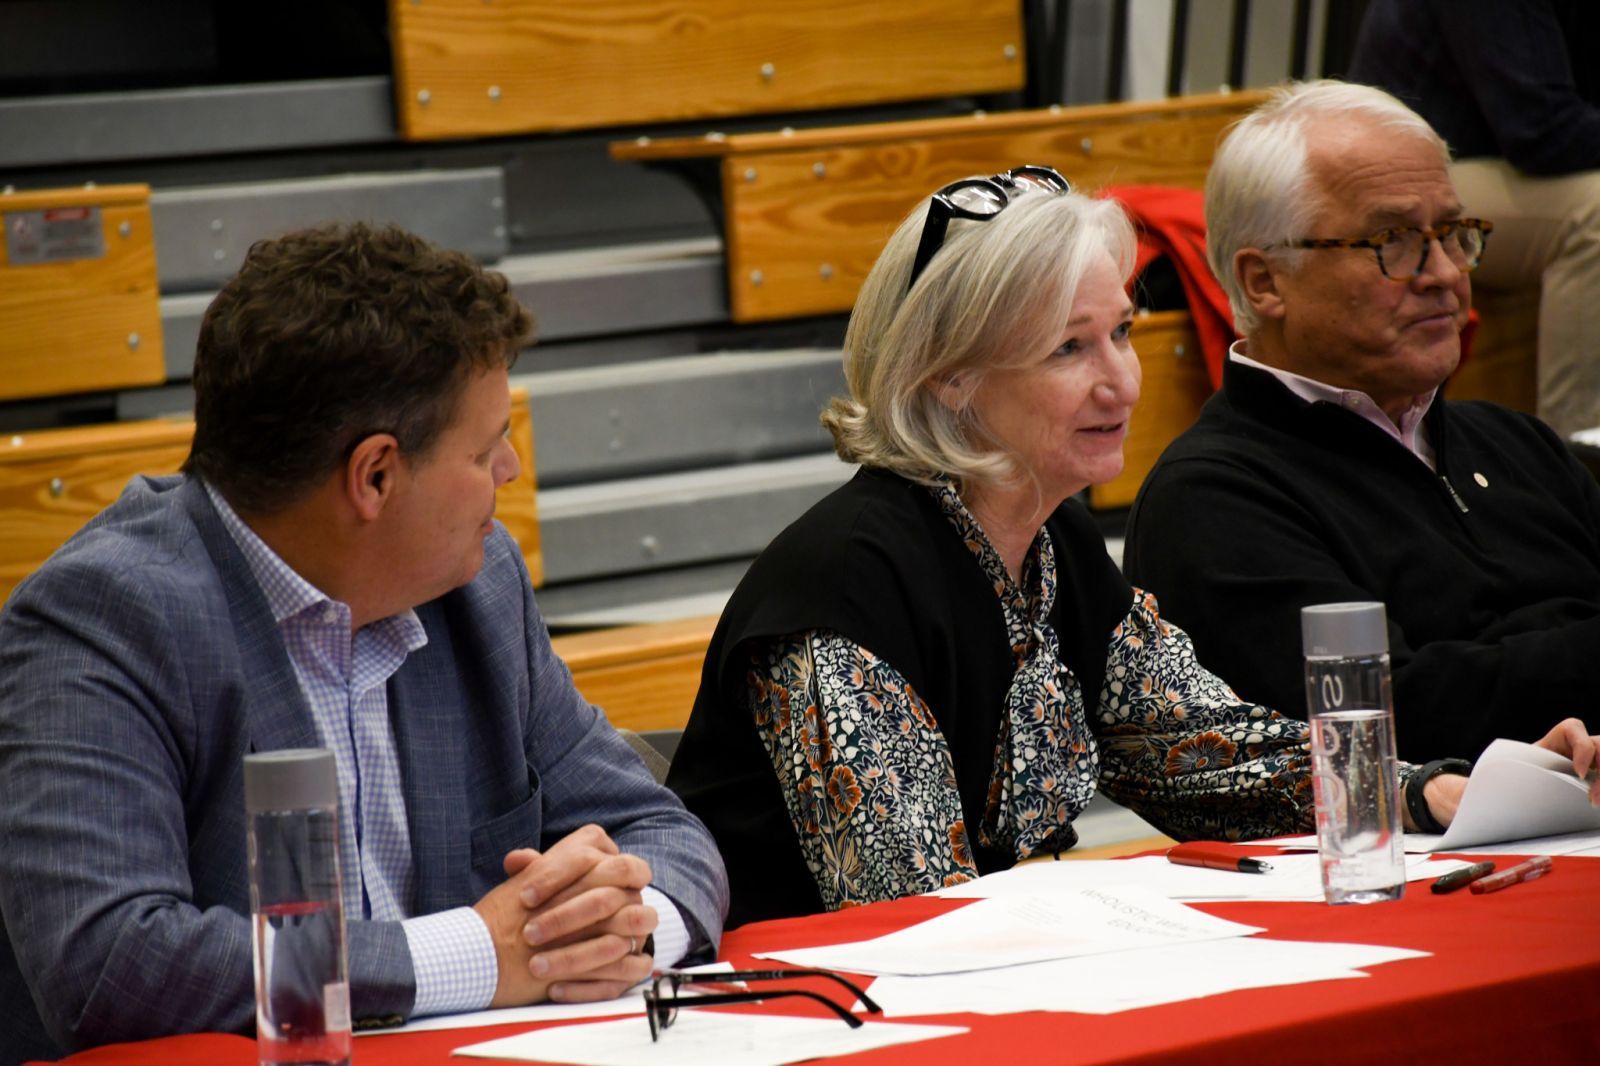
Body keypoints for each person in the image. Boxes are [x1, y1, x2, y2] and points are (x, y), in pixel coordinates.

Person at [666, 168, 1597, 930]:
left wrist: (1435, 790)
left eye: (1120, 332)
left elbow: (1200, 753)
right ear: (951, 381)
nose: (1120, 381)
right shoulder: (851, 578)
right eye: (1069, 350)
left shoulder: (1052, 536)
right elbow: (909, 910)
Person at [0, 223, 728, 1064]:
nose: (512, 471)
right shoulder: (104, 620)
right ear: (376, 474)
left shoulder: (476, 584)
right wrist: (469, 955)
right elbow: (109, 963)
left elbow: (658, 828)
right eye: (486, 446)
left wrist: (618, 931)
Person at [1124, 81, 1600, 767]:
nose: (1443, 273)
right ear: (1264, 282)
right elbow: (1377, 719)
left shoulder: (1518, 444)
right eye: (1394, 241)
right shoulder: (1211, 499)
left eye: (1454, 235)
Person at [1349, 0, 1600, 440]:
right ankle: (1580, 452)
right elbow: (1541, 132)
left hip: (1500, 166)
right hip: (1402, 176)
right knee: (1597, 212)